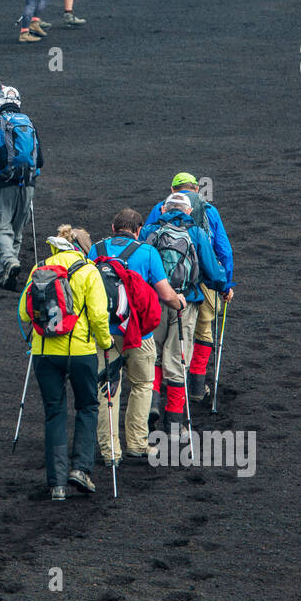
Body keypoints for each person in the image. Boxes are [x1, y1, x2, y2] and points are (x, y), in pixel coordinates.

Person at [18, 225, 113, 501]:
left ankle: (57, 484)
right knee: (87, 406)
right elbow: (97, 316)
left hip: (45, 352)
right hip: (80, 352)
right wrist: (105, 344)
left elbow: (25, 313)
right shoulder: (88, 271)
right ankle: (81, 470)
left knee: (54, 412)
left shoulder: (40, 267)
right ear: (82, 248)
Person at [87, 209, 185, 466]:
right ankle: (138, 444)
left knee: (107, 391)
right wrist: (180, 302)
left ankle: (111, 452)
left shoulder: (95, 251)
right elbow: (166, 295)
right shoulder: (147, 252)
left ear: (112, 227)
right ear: (139, 230)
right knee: (142, 385)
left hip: (103, 332)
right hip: (139, 333)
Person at [141, 172, 235, 400]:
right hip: (200, 282)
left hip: (162, 285)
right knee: (201, 331)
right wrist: (226, 285)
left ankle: (154, 395)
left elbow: (144, 245)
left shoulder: (160, 207)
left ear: (173, 190)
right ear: (196, 189)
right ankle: (195, 387)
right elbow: (224, 250)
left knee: (158, 343)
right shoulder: (209, 210)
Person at [0, 85, 43, 288]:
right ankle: (5, 276)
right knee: (17, 229)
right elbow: (41, 162)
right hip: (28, 184)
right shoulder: (29, 124)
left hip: (5, 184)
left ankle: (11, 261)